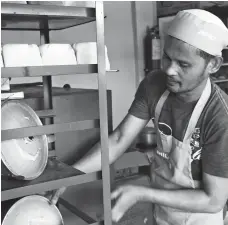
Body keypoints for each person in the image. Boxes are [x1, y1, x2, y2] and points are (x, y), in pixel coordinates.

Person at [49, 9, 228, 225]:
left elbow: (213, 200)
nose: (170, 70)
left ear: (213, 65)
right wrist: (72, 174)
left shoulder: (220, 117)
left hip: (202, 218)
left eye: (183, 64)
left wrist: (141, 193)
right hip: (162, 212)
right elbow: (119, 139)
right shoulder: (154, 85)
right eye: (167, 57)